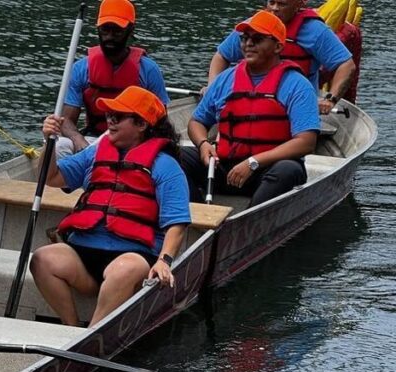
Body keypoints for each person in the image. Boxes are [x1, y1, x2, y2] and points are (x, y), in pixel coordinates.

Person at [33, 86, 190, 327]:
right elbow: (51, 177)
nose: (110, 122)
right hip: (83, 251)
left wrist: (164, 261)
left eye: (118, 117)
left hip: (132, 255)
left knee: (125, 269)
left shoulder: (165, 166)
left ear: (141, 124)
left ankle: (92, 336)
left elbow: (177, 223)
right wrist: (49, 142)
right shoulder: (95, 156)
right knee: (42, 259)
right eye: (108, 116)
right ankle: (71, 330)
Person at [183, 11, 319, 207]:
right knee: (174, 156)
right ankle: (193, 214)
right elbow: (197, 122)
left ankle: (249, 219)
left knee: (288, 170)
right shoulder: (225, 79)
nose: (248, 44)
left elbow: (306, 142)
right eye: (245, 39)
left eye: (257, 39)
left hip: (268, 169)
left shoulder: (297, 85)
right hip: (225, 167)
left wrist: (253, 162)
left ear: (278, 46)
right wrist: (203, 143)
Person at [55, 0, 170, 159]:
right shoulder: (81, 69)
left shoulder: (148, 70)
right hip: (93, 140)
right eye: (105, 30)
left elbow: (161, 122)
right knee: (58, 145)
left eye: (117, 31)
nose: (109, 37)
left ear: (130, 30)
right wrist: (79, 141)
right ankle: (68, 182)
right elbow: (66, 119)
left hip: (134, 142)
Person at [206, 0, 355, 114]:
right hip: (250, 100)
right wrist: (213, 88)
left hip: (296, 106)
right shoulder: (251, 28)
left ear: (299, 4)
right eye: (271, 2)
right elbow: (221, 56)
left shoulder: (315, 31)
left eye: (282, 4)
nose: (274, 9)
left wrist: (330, 100)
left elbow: (346, 65)